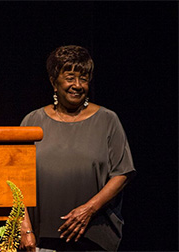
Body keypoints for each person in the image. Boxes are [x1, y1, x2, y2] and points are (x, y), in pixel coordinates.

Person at [19, 45, 136, 251]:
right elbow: (15, 180)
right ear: (54, 82)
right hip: (40, 239)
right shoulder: (32, 121)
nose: (78, 85)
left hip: (92, 235)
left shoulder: (107, 120)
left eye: (83, 78)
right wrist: (24, 228)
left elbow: (122, 173)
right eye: (70, 77)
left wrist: (88, 210)